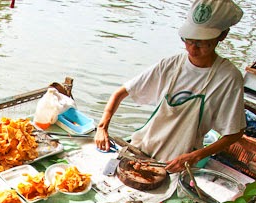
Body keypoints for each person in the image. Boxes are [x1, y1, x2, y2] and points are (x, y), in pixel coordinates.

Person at [95, 0, 246, 173]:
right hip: (141, 149)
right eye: (188, 40)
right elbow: (121, 92)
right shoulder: (171, 65)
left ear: (222, 35)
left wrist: (196, 156)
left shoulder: (229, 77)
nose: (192, 48)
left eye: (201, 42)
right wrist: (102, 128)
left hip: (179, 163)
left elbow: (235, 132)